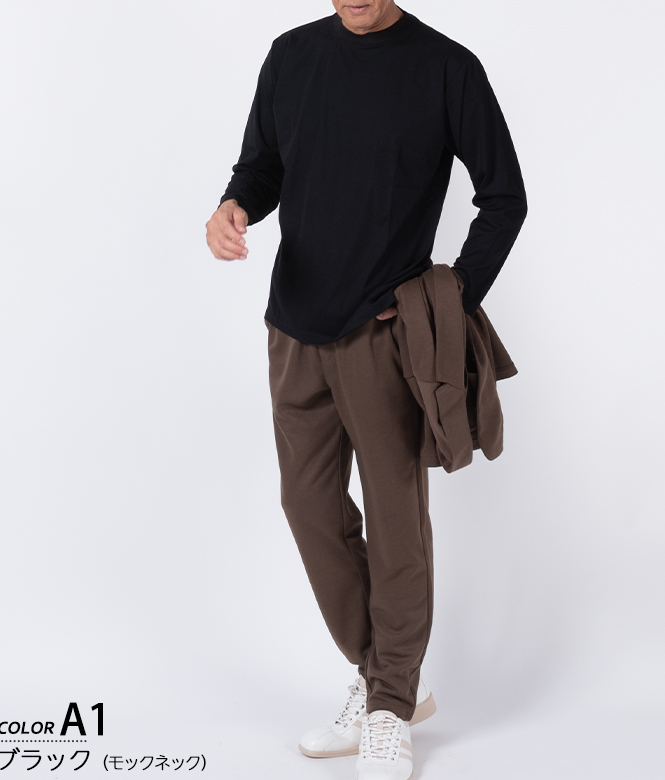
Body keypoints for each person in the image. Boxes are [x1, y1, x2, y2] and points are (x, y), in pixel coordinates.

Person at [205, 2, 527, 777]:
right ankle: (390, 676)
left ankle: (388, 703)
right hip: (293, 327)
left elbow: (504, 197)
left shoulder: (447, 68)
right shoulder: (291, 55)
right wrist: (233, 205)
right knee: (307, 506)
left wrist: (449, 296)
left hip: (385, 334)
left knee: (394, 518)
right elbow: (263, 165)